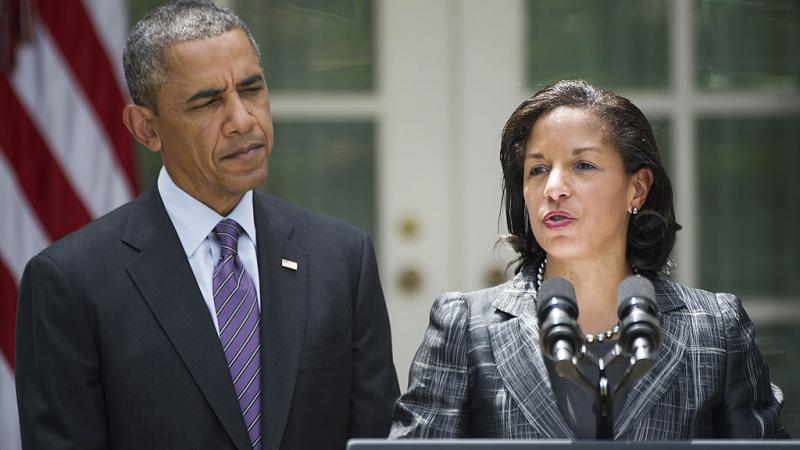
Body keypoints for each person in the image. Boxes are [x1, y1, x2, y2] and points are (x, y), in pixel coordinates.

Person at [15, 2, 399, 449]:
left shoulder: (342, 257)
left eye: (251, 90)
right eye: (208, 102)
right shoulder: (70, 281)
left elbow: (378, 436)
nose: (242, 120)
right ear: (146, 128)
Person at [390, 80, 787, 440]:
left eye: (583, 165)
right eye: (537, 169)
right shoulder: (464, 326)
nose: (554, 188)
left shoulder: (715, 330)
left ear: (637, 188)